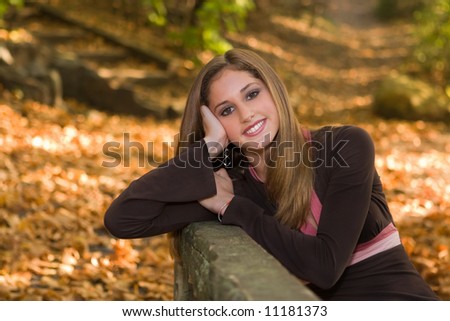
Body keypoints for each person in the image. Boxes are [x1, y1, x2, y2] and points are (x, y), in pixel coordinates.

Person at [103, 48, 439, 300]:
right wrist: (207, 148)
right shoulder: (232, 183)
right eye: (227, 110)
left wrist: (232, 208)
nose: (247, 114)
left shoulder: (344, 146)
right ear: (217, 124)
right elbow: (124, 219)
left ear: (274, 91)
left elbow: (324, 267)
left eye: (252, 94)